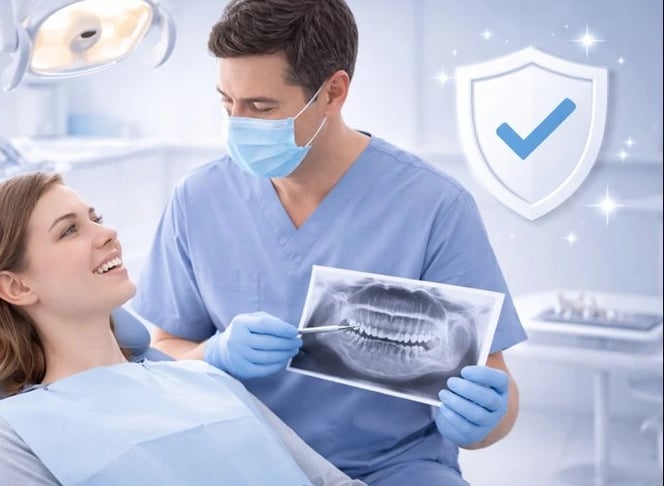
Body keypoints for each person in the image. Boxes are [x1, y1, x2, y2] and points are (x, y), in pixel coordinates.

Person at [131, 1, 528, 484]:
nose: (237, 124)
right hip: (241, 460)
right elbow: (164, 350)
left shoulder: (433, 206)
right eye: (226, 102)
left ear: (333, 92)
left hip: (393, 467)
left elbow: (495, 384)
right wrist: (210, 354)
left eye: (261, 107)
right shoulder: (200, 198)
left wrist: (485, 421)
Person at [0, 172, 366, 486]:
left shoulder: (204, 378)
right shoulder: (9, 433)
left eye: (95, 218)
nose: (108, 233)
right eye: (70, 230)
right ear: (16, 285)